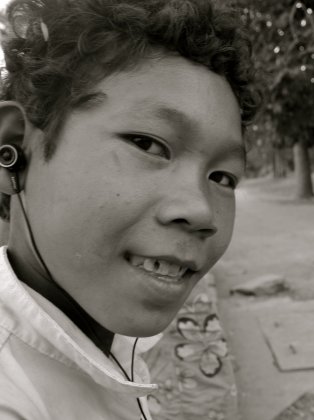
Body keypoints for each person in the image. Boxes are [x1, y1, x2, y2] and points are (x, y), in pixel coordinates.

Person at [0, 1, 259, 419]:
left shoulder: (108, 338)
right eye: (148, 145)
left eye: (222, 177)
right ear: (11, 149)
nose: (202, 212)